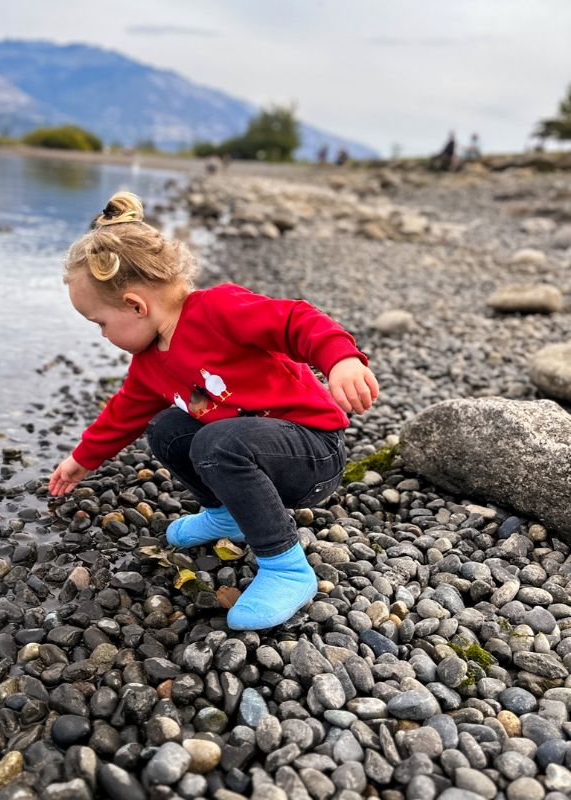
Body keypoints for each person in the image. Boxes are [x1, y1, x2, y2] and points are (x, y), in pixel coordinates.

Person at [48, 192, 379, 630]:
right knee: (166, 428)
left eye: (101, 323)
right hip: (248, 454)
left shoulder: (218, 310)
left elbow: (294, 319)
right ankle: (228, 514)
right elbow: (121, 415)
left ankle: (286, 568)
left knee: (217, 441)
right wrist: (79, 461)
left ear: (135, 305)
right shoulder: (149, 364)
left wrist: (340, 358)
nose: (102, 335)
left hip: (311, 453)